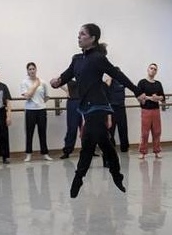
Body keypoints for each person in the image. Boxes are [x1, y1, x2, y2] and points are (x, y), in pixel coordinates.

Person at [50, 23, 145, 198]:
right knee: (104, 142)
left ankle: (78, 179)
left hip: (99, 105)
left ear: (93, 38)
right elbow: (67, 75)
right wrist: (57, 81)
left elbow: (118, 75)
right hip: (86, 107)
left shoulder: (99, 58)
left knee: (87, 141)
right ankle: (117, 174)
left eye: (82, 34)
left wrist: (137, 91)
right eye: (78, 33)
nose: (78, 36)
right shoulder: (77, 59)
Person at [21, 62, 53, 162]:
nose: (32, 71)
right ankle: (28, 154)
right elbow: (27, 96)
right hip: (30, 111)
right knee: (29, 133)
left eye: (33, 69)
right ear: (27, 71)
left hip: (41, 110)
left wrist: (40, 103)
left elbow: (47, 96)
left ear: (36, 70)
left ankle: (45, 153)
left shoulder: (43, 82)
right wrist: (35, 86)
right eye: (29, 69)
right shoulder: (24, 82)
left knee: (42, 132)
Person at [137, 63, 165, 159]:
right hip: (146, 110)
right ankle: (142, 151)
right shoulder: (142, 82)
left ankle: (157, 151)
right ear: (148, 69)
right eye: (151, 68)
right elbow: (139, 97)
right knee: (145, 133)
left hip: (156, 110)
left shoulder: (158, 84)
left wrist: (157, 97)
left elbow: (162, 97)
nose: (153, 70)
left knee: (157, 132)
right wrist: (147, 98)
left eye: (155, 69)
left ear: (156, 72)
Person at [104, 68, 130, 152]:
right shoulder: (109, 81)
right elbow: (105, 88)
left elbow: (129, 83)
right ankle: (110, 147)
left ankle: (124, 147)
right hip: (111, 108)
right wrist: (110, 78)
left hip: (121, 107)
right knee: (110, 129)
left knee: (123, 128)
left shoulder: (122, 81)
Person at [59, 80, 83, 159]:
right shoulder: (69, 75)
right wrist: (66, 90)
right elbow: (56, 82)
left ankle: (89, 149)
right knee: (72, 128)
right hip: (72, 102)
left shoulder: (83, 73)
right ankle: (67, 151)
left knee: (86, 127)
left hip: (84, 101)